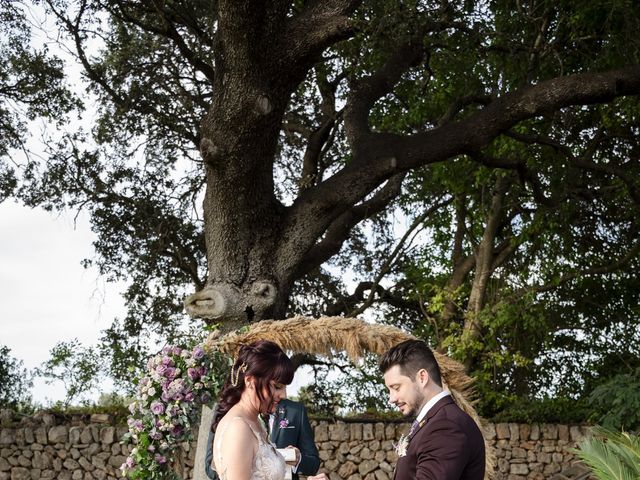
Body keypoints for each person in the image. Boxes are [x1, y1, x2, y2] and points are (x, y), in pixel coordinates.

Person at [209, 340, 328, 480]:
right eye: (277, 387)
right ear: (250, 381)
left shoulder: (252, 422)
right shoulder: (238, 428)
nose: (283, 395)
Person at [379, 339, 485, 480]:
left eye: (396, 388)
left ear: (422, 377)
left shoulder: (445, 426)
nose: (391, 398)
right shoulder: (434, 422)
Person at [267, 396, 320, 480]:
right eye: (276, 386)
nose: (283, 394)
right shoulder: (241, 413)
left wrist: (298, 459)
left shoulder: (296, 410)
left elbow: (313, 464)